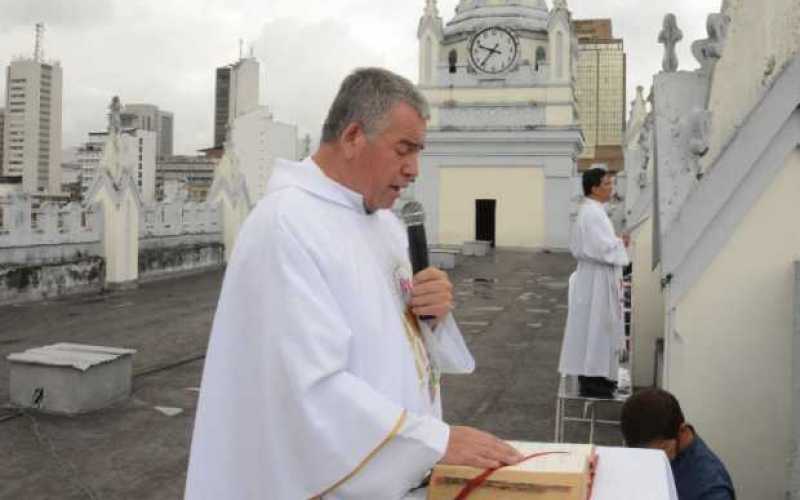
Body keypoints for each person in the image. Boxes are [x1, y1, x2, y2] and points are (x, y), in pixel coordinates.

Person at [184, 68, 522, 500]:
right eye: (404, 149)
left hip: (395, 477)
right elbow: (304, 389)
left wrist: (433, 317)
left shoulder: (384, 225)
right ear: (352, 137)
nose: (414, 169)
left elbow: (395, 342)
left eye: (419, 152)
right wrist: (436, 443)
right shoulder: (286, 226)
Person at [557, 167, 629, 398]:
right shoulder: (592, 213)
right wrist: (621, 244)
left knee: (597, 327)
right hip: (596, 279)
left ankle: (599, 377)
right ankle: (593, 379)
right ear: (595, 188)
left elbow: (599, 244)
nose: (611, 188)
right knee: (596, 327)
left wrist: (616, 242)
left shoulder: (594, 211)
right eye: (607, 184)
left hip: (597, 276)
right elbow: (600, 248)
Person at [621, 388, 736, 500]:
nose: (649, 462)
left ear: (683, 431)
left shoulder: (711, 489)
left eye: (659, 452)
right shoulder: (660, 452)